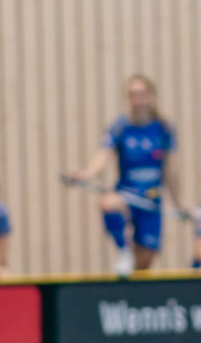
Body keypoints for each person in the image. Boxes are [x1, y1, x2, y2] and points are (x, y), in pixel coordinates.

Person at [66, 75, 187, 276]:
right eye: (132, 95)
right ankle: (123, 250)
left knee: (144, 262)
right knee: (108, 203)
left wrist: (179, 202)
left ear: (151, 97)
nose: (136, 100)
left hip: (150, 201)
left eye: (141, 95)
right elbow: (102, 155)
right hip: (126, 196)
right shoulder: (120, 127)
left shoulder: (164, 128)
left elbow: (170, 170)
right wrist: (86, 174)